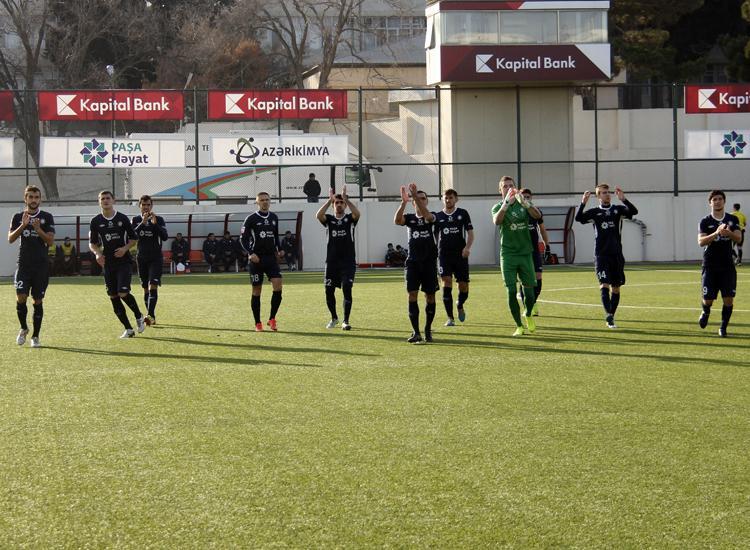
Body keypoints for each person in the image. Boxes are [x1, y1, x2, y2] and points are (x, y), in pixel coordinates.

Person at [575, 183, 638, 329]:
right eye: (603, 193)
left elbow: (634, 212)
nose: (607, 195)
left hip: (616, 255)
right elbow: (579, 218)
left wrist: (624, 199)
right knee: (604, 284)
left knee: (616, 288)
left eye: (608, 192)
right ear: (598, 196)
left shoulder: (618, 210)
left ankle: (611, 316)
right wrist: (583, 203)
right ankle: (608, 315)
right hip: (601, 255)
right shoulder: (594, 212)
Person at [88, 190, 146, 338]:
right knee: (113, 296)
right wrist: (98, 253)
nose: (105, 201)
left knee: (123, 292)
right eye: (102, 199)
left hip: (123, 262)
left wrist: (124, 249)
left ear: (113, 200)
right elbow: (92, 243)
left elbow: (134, 238)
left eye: (108, 198)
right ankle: (128, 329)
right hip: (108, 263)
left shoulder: (122, 218)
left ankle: (139, 316)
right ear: (99, 202)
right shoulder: (95, 221)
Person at [492, 176, 542, 336]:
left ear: (515, 188)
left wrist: (525, 203)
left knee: (530, 293)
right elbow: (497, 221)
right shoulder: (498, 206)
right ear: (500, 190)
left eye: (511, 185)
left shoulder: (523, 204)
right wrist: (506, 203)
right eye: (505, 186)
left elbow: (537, 216)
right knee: (511, 291)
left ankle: (528, 314)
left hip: (525, 254)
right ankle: (519, 325)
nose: (508, 188)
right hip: (508, 255)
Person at [8, 185, 55, 348]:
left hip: (41, 266)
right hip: (23, 265)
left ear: (40, 199)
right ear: (25, 198)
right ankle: (23, 328)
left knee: (37, 300)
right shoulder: (18, 217)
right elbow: (10, 239)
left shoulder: (47, 217)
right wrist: (23, 225)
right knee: (21, 297)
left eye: (36, 197)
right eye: (30, 197)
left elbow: (50, 241)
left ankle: (35, 336)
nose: (33, 200)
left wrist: (37, 229)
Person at [395, 183, 438, 344]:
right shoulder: (410, 219)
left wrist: (414, 196)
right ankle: (416, 332)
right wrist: (403, 202)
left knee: (430, 296)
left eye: (423, 198)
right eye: (418, 199)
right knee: (412, 294)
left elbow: (427, 217)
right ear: (413, 203)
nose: (421, 200)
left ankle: (427, 329)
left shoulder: (432, 216)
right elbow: (397, 220)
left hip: (429, 263)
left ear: (427, 201)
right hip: (412, 263)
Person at [698, 190, 742, 337]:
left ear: (724, 201)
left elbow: (739, 238)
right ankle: (705, 312)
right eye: (714, 199)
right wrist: (716, 233)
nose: (717, 201)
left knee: (728, 299)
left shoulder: (732, 219)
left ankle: (723, 328)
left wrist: (729, 233)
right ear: (710, 203)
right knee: (708, 300)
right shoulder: (705, 221)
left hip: (727, 266)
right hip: (710, 265)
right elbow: (701, 242)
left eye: (720, 199)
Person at [317, 185, 361, 330]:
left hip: (348, 262)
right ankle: (334, 318)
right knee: (328, 291)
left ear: (345, 205)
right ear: (333, 205)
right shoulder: (329, 220)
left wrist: (346, 199)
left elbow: (357, 213)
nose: (339, 204)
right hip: (331, 262)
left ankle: (346, 321)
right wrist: (329, 200)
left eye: (341, 202)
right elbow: (318, 215)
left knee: (347, 288)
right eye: (337, 202)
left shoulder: (349, 219)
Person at [240, 191, 285, 331]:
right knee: (257, 290)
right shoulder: (251, 218)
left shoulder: (274, 217)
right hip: (256, 260)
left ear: (269, 201)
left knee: (278, 285)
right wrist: (251, 253)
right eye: (262, 200)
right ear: (257, 202)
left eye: (267, 199)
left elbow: (276, 236)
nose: (265, 202)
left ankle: (272, 319)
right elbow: (243, 239)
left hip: (270, 258)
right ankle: (257, 323)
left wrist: (280, 249)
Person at [433, 188, 474, 326]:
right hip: (444, 255)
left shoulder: (463, 213)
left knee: (463, 286)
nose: (448, 200)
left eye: (450, 197)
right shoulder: (438, 216)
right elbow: (435, 236)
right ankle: (450, 318)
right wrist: (435, 250)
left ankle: (460, 304)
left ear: (456, 199)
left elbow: (470, 233)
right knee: (446, 282)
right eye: (446, 198)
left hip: (460, 255)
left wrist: (467, 248)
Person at [131, 195, 168, 325]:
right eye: (143, 205)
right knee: (145, 288)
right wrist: (143, 222)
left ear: (151, 206)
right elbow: (132, 236)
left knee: (153, 285)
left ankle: (150, 315)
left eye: (148, 205)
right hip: (141, 258)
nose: (146, 207)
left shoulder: (159, 219)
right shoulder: (135, 220)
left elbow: (165, 237)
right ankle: (151, 316)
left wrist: (155, 224)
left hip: (155, 258)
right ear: (139, 206)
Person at [519, 188, 550, 316]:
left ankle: (533, 302)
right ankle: (527, 308)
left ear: (531, 198)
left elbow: (542, 229)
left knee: (538, 278)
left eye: (528, 197)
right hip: (521, 251)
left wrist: (547, 245)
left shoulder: (536, 212)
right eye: (523, 197)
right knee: (524, 280)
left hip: (534, 250)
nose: (526, 199)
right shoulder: (517, 212)